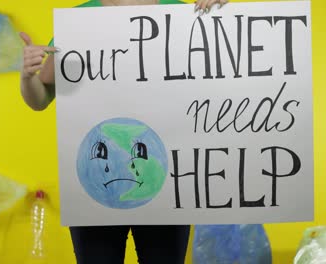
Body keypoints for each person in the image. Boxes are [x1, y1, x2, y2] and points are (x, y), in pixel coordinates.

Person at [19, 0, 228, 263]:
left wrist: (222, 15)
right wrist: (27, 76)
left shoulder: (184, 12)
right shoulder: (80, 18)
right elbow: (40, 99)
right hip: (96, 185)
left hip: (163, 182)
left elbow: (223, 77)